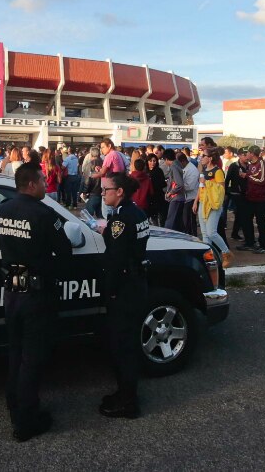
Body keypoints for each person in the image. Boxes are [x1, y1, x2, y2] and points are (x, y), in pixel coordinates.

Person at [0, 162, 72, 441]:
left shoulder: (3, 209)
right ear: (31, 184)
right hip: (36, 296)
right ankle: (27, 421)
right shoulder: (43, 213)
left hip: (11, 294)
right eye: (42, 180)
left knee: (15, 355)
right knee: (32, 359)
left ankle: (15, 408)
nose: (45, 185)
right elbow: (64, 253)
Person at [98, 171, 150, 418]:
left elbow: (116, 259)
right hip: (137, 282)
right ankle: (126, 394)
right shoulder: (136, 212)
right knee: (128, 343)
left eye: (106, 189)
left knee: (122, 346)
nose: (102, 193)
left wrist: (110, 293)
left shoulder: (120, 219)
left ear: (119, 192)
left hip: (125, 288)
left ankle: (127, 401)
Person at [193, 148, 232, 267]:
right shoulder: (203, 171)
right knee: (205, 234)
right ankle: (208, 258)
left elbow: (221, 189)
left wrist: (207, 183)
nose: (201, 157)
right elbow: (201, 189)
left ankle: (226, 253)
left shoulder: (218, 172)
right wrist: (196, 202)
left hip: (213, 205)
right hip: (203, 203)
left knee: (211, 233)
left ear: (210, 158)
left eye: (203, 155)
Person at [237, 145, 265, 254]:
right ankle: (250, 242)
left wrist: (247, 176)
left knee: (260, 222)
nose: (246, 155)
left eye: (248, 153)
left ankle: (263, 245)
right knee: (246, 220)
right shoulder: (251, 165)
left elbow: (262, 180)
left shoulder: (261, 164)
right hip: (250, 197)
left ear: (252, 153)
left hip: (260, 198)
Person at [161, 149, 185, 232]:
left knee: (170, 222)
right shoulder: (178, 165)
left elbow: (179, 184)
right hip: (179, 197)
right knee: (178, 223)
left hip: (176, 197)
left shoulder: (174, 167)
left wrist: (170, 193)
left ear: (167, 159)